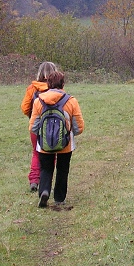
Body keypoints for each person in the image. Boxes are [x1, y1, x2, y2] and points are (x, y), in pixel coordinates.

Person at [29, 69, 85, 209]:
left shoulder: (38, 101)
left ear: (48, 83)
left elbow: (33, 128)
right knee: (62, 169)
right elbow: (79, 127)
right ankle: (59, 198)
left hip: (44, 144)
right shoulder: (71, 101)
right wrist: (69, 133)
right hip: (65, 144)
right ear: (63, 83)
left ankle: (44, 191)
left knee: (46, 169)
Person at [21, 61, 58, 192]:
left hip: (35, 125)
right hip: (53, 126)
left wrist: (32, 115)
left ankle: (34, 180)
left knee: (36, 152)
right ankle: (46, 180)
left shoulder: (32, 88)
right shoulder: (56, 88)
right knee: (51, 153)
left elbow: (25, 108)